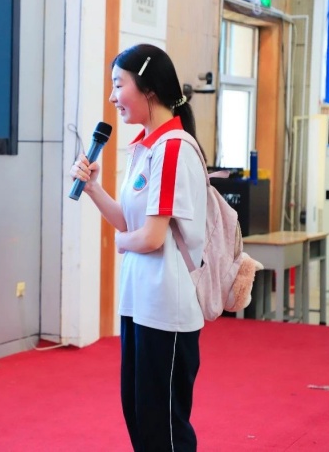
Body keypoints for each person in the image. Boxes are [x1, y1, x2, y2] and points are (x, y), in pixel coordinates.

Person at [70, 44, 207, 451]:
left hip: (166, 309)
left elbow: (149, 237)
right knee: (141, 419)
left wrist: (120, 243)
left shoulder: (173, 147)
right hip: (139, 303)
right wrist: (93, 188)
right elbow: (131, 223)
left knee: (164, 428)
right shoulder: (145, 145)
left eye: (119, 85)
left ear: (148, 89)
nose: (112, 97)